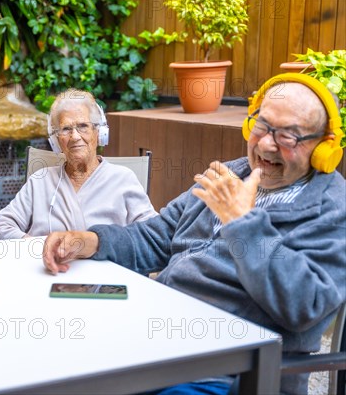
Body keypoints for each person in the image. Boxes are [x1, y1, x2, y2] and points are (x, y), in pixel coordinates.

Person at [42, 74, 346, 395]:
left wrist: (242, 222)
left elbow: (304, 306)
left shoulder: (332, 210)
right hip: (154, 341)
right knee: (53, 359)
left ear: (322, 148)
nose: (268, 143)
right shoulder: (232, 173)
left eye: (289, 136)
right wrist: (90, 241)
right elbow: (156, 237)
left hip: (229, 373)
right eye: (262, 126)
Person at [0, 89, 157, 240]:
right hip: (47, 270)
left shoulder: (123, 179)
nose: (75, 136)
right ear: (55, 140)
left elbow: (153, 233)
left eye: (83, 126)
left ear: (99, 133)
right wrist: (37, 246)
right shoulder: (40, 180)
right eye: (66, 129)